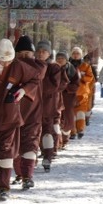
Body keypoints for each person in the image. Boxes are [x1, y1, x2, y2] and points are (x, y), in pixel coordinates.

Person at [0, 38, 39, 200]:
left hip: (10, 116)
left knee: (6, 150)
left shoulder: (18, 66)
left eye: (9, 60)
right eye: (2, 60)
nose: (6, 63)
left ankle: (5, 187)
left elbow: (35, 78)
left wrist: (23, 91)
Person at [13, 35, 47, 190]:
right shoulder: (11, 66)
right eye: (21, 53)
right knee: (15, 145)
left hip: (33, 113)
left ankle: (27, 176)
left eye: (27, 53)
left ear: (33, 54)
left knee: (30, 144)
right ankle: (20, 174)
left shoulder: (39, 67)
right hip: (13, 113)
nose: (24, 56)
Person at [35, 40, 66, 172]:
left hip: (48, 105)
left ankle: (48, 156)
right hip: (32, 105)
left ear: (48, 53)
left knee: (47, 131)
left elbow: (55, 85)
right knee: (32, 133)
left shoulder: (54, 67)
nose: (41, 54)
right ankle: (30, 158)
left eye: (44, 51)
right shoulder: (31, 65)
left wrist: (38, 81)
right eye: (39, 51)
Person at [54, 50, 80, 149]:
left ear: (66, 60)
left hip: (68, 97)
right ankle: (58, 142)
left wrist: (66, 88)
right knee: (56, 119)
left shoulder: (72, 70)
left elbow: (76, 84)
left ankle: (65, 139)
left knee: (67, 119)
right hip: (55, 97)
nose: (60, 60)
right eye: (58, 58)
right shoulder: (52, 68)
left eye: (62, 58)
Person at [69, 47, 96, 139]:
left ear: (81, 55)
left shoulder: (86, 66)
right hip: (70, 92)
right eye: (74, 53)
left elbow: (90, 78)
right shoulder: (68, 65)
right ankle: (72, 132)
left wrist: (82, 77)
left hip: (82, 93)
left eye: (77, 53)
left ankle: (80, 130)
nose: (75, 55)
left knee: (80, 113)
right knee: (71, 113)